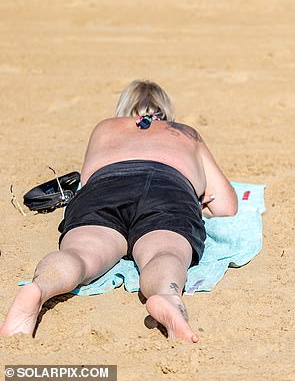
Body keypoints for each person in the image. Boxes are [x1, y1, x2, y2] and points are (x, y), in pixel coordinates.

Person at [1, 80, 237, 342]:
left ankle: (40, 287)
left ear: (124, 107)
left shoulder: (105, 128)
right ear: (166, 110)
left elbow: (88, 177)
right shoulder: (184, 133)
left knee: (79, 254)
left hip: (106, 187)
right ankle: (166, 295)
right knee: (164, 253)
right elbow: (226, 205)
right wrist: (200, 203)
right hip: (167, 188)